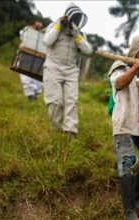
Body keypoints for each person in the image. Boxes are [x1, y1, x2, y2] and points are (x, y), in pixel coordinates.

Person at [108, 35, 139, 220]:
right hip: (124, 125)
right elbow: (119, 83)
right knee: (127, 164)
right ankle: (129, 210)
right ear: (134, 52)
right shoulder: (119, 66)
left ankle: (136, 196)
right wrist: (137, 66)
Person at [42, 3, 91, 137]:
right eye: (73, 18)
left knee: (71, 101)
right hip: (53, 67)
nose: (74, 21)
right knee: (55, 101)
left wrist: (76, 35)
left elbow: (88, 50)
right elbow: (47, 41)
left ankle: (70, 132)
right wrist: (58, 25)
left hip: (71, 70)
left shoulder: (80, 34)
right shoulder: (53, 26)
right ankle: (55, 130)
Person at [19, 20, 43, 101]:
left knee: (38, 77)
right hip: (27, 55)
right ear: (32, 25)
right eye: (37, 27)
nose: (38, 29)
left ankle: (36, 94)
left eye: (40, 27)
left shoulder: (42, 35)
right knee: (26, 76)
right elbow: (23, 36)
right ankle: (30, 95)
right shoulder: (26, 30)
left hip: (38, 58)